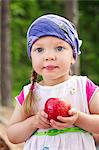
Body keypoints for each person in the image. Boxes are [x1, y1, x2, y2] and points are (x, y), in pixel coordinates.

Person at [7, 14, 99, 150]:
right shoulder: (30, 93)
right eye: (39, 49)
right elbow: (12, 135)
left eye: (59, 48)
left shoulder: (83, 87)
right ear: (31, 57)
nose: (49, 56)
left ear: (73, 56)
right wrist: (33, 122)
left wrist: (79, 119)